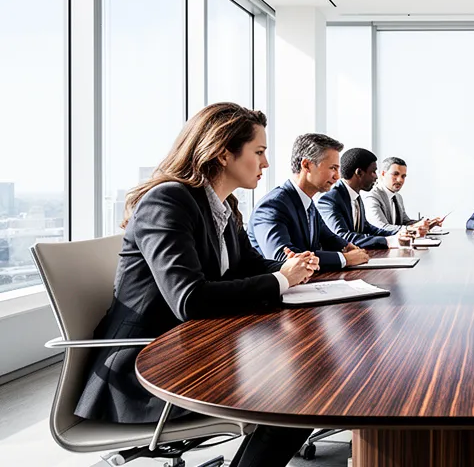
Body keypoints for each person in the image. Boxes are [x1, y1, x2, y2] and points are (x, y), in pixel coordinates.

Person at [74, 102, 319, 467]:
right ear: (223, 153)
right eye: (259, 152)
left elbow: (251, 266)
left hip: (198, 347)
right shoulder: (167, 200)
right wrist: (280, 279)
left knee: (304, 375)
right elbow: (190, 299)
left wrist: (296, 268)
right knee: (298, 398)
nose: (266, 164)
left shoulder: (222, 205)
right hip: (146, 370)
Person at [248, 133, 370, 271]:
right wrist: (346, 259)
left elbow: (329, 238)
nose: (337, 177)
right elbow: (284, 259)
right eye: (333, 168)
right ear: (306, 165)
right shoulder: (272, 206)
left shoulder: (308, 204)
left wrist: (347, 246)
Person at [317, 148, 406, 249]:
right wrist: (386, 241)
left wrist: (400, 233)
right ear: (359, 172)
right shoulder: (329, 200)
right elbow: (342, 237)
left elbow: (368, 228)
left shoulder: (357, 197)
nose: (376, 177)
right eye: (373, 172)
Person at [362, 156, 441, 234]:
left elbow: (405, 222)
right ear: (383, 174)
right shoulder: (372, 196)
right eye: (395, 174)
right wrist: (412, 227)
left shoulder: (398, 197)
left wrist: (428, 223)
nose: (400, 180)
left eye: (403, 176)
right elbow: (381, 227)